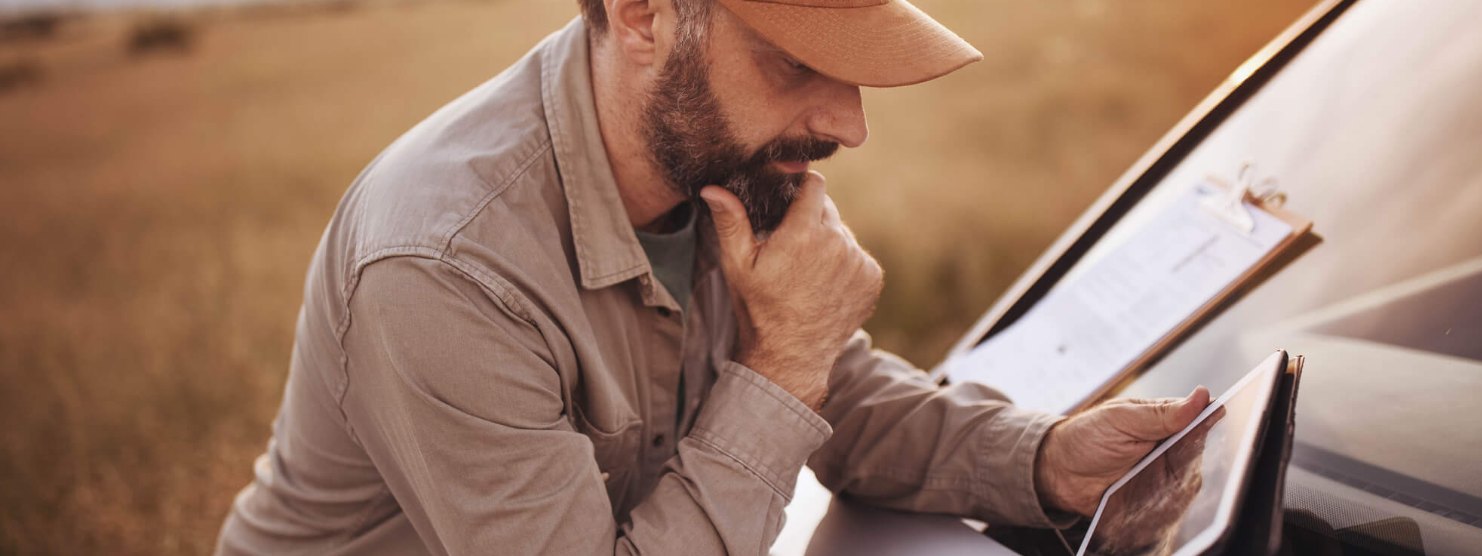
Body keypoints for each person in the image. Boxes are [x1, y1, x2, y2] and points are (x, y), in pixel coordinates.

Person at [215, 0, 1209, 553]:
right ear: (645, 14)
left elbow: (835, 390)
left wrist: (1043, 459)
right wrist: (781, 369)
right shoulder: (443, 269)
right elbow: (790, 373)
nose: (849, 125)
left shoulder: (715, 156)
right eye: (792, 63)